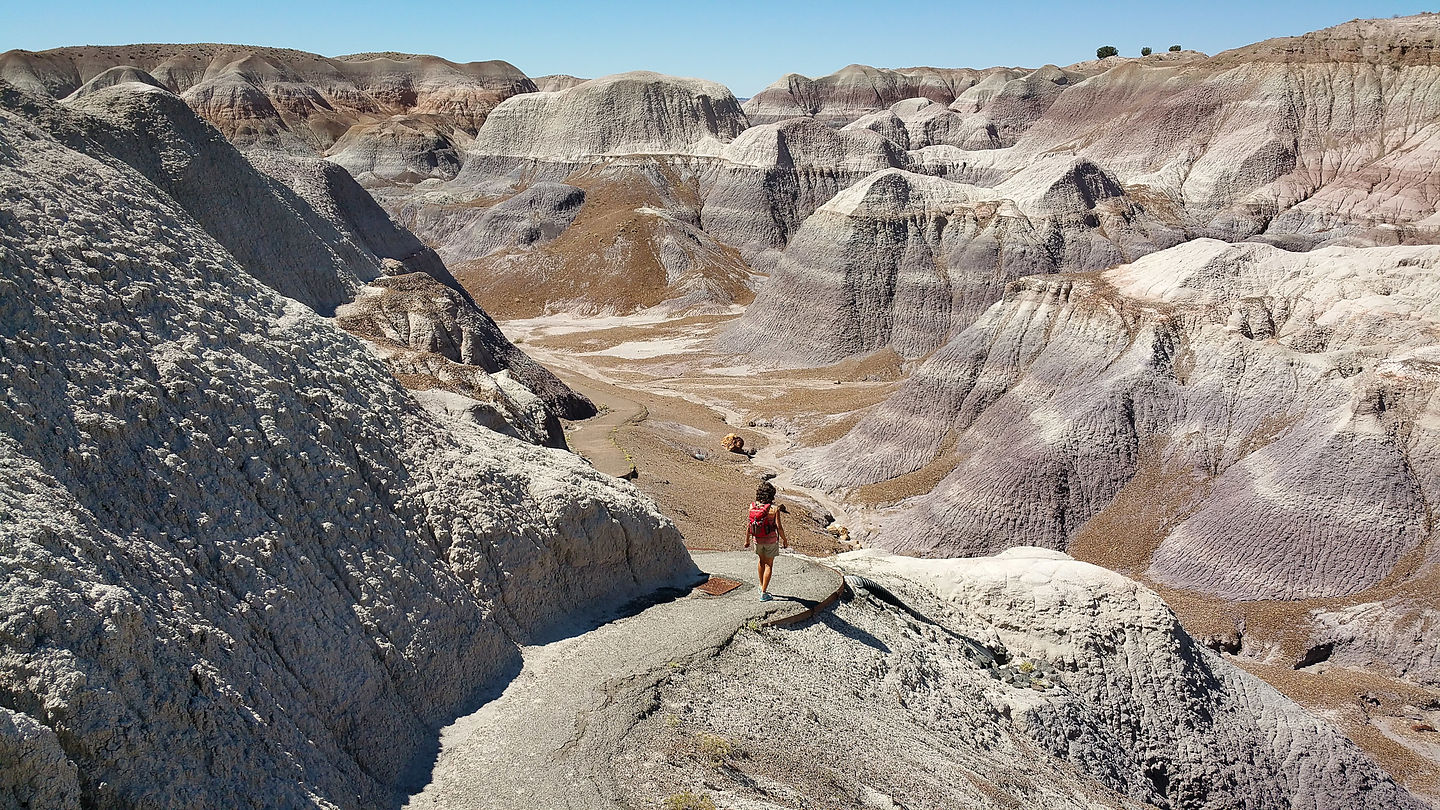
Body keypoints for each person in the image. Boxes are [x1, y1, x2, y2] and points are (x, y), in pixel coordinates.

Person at [744, 480, 788, 600]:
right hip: (771, 541)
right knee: (769, 564)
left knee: (761, 562)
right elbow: (779, 527)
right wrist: (784, 539)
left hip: (757, 539)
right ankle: (764, 593)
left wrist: (747, 540)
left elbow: (749, 525)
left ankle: (760, 585)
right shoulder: (774, 509)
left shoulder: (752, 506)